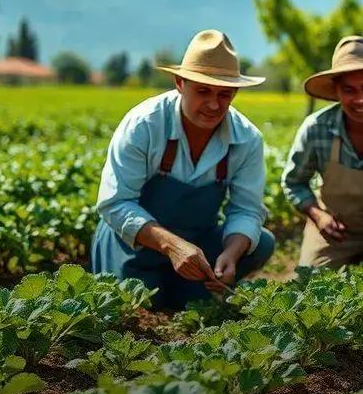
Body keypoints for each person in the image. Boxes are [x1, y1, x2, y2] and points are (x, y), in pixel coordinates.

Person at [91, 30, 275, 309]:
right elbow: (115, 203)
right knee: (140, 307)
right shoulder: (145, 125)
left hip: (197, 244)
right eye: (203, 91)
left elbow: (246, 210)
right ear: (180, 83)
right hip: (134, 246)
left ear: (235, 92)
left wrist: (231, 253)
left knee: (261, 242)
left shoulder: (247, 139)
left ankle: (189, 290)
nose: (214, 105)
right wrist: (172, 246)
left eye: (224, 95)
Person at [283, 36, 363, 268]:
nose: (360, 99)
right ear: (336, 91)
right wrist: (318, 216)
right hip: (333, 233)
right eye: (349, 90)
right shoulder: (316, 129)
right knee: (308, 286)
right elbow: (294, 183)